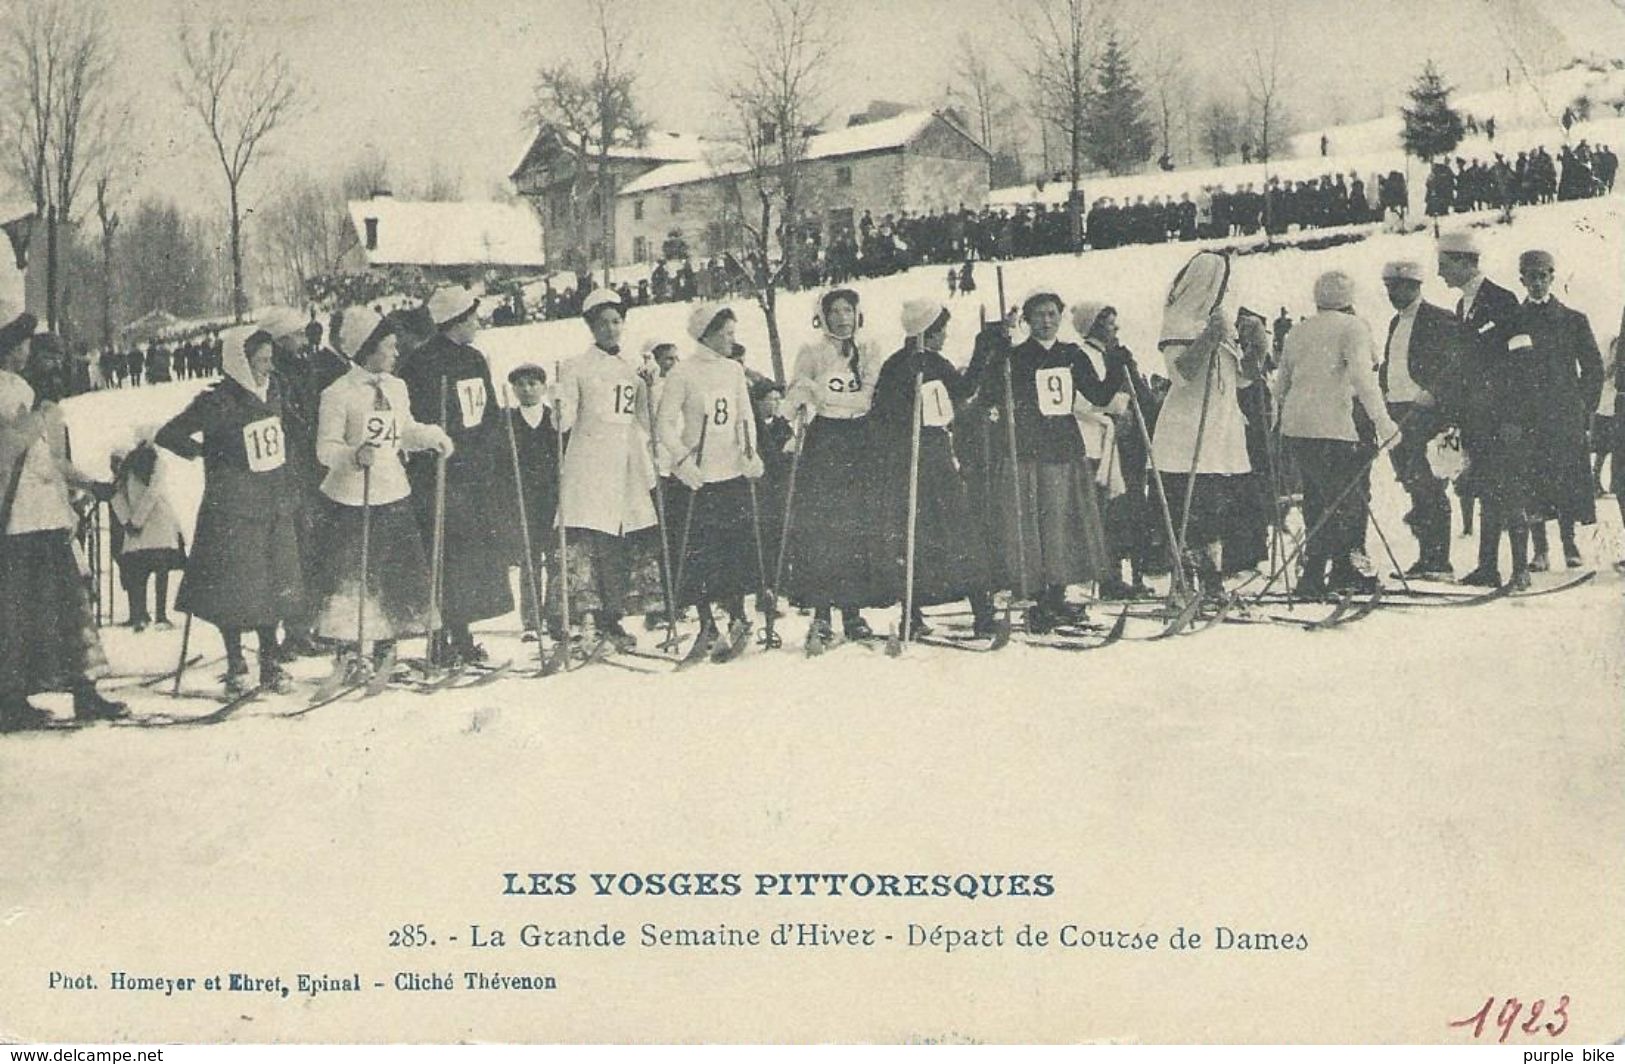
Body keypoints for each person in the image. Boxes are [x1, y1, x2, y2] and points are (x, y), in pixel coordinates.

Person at [156, 327, 302, 695]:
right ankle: (236, 659)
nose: (269, 367)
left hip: (272, 502)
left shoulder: (275, 390)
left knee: (271, 581)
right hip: (232, 506)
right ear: (240, 362)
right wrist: (206, 453)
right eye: (262, 361)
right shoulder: (218, 400)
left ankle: (269, 661)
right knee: (233, 586)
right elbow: (169, 434)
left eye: (270, 359)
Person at [0, 315, 127, 729]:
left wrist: (89, 485)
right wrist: (33, 419)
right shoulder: (15, 392)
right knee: (30, 612)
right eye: (24, 346)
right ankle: (19, 699)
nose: (29, 354)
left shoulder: (29, 394)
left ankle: (76, 693)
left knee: (60, 608)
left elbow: (49, 461)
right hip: (19, 522)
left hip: (42, 519)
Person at [311, 307, 450, 680]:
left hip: (392, 491)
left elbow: (404, 431)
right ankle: (350, 654)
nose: (395, 353)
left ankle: (388, 651)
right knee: (353, 577)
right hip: (352, 498)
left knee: (395, 575)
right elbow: (325, 449)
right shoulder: (338, 393)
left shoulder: (397, 387)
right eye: (388, 347)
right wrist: (353, 455)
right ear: (367, 349)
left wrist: (431, 437)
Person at [976, 288, 1112, 631]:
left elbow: (1097, 394)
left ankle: (1057, 593)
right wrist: (997, 349)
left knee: (1060, 524)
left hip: (1063, 447)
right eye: (1039, 316)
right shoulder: (1016, 356)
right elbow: (990, 393)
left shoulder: (1071, 354)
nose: (1046, 322)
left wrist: (1117, 364)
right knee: (1032, 524)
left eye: (1052, 314)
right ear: (1027, 320)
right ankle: (1036, 598)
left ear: (1061, 316)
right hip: (1027, 450)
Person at [398, 285, 514, 665]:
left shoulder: (476, 359)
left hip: (473, 474)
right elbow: (415, 419)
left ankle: (463, 633)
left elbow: (488, 412)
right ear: (455, 321)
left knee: (469, 559)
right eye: (472, 318)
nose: (478, 324)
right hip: (438, 474)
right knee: (442, 555)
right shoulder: (421, 363)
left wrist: (492, 448)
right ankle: (437, 638)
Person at [870, 299, 996, 636]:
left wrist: (983, 352)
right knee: (914, 533)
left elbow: (964, 391)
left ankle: (982, 609)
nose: (944, 338)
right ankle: (912, 612)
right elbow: (880, 415)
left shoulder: (936, 364)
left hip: (938, 454)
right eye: (940, 331)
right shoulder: (896, 367)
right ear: (925, 332)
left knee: (959, 527)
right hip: (908, 459)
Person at [782, 287, 892, 651]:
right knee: (825, 527)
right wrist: (803, 396)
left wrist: (824, 395)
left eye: (849, 310)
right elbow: (798, 389)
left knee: (857, 525)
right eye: (836, 311)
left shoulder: (870, 349)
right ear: (824, 316)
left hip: (859, 439)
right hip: (826, 442)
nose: (843, 317)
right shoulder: (812, 351)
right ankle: (822, 612)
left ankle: (853, 610)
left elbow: (870, 396)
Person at [1277, 270, 1400, 597]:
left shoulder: (1298, 330)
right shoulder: (1353, 327)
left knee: (1317, 502)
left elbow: (1282, 383)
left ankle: (1313, 576)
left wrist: (1279, 423)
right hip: (1336, 427)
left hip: (1299, 429)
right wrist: (1384, 423)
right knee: (1346, 502)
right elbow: (1363, 379)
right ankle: (1345, 573)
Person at [556, 288, 664, 650]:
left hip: (624, 466)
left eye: (616, 322)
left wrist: (652, 386)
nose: (611, 329)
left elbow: (647, 422)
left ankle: (613, 619)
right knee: (591, 540)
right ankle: (587, 619)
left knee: (619, 543)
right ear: (591, 327)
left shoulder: (634, 368)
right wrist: (558, 401)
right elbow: (564, 420)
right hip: (589, 465)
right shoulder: (576, 366)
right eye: (603, 323)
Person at [654, 303, 764, 659]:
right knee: (698, 552)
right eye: (727, 333)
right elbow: (664, 425)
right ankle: (705, 623)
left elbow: (745, 418)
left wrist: (750, 453)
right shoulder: (683, 373)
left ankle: (737, 617)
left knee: (733, 548)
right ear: (709, 335)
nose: (733, 340)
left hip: (730, 473)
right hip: (697, 477)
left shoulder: (733, 371)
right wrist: (681, 461)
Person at [1150, 251, 1252, 594]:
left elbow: (1240, 380)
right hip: (1186, 433)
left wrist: (1257, 349)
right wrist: (1210, 337)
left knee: (1214, 508)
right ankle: (1185, 577)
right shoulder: (1179, 322)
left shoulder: (1224, 324)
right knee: (1188, 508)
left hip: (1218, 431)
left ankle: (1212, 578)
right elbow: (1181, 375)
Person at [1437, 230, 1531, 588]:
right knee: (1487, 490)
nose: (1440, 273)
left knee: (1509, 490)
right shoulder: (1463, 306)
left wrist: (1513, 417)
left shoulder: (1502, 300)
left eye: (1444, 266)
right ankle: (1488, 567)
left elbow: (1522, 363)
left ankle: (1520, 570)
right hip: (1476, 417)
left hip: (1503, 418)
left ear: (1464, 262)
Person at [1512, 249, 1605, 571]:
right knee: (1532, 480)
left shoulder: (1573, 320)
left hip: (1564, 415)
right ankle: (1541, 550)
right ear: (1521, 279)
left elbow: (1593, 367)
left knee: (1566, 479)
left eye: (1543, 276)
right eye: (1531, 277)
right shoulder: (1515, 320)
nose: (1537, 283)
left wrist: (1583, 406)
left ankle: (1569, 544)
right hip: (1527, 418)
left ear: (1553, 277)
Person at [1378, 259, 1465, 578]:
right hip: (1399, 413)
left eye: (1398, 287)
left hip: (1428, 415)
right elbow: (1391, 364)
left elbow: (1455, 367)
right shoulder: (1394, 323)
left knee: (1430, 485)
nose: (1392, 293)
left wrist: (1434, 394)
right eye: (1389, 287)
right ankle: (1426, 557)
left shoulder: (1440, 319)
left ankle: (1439, 561)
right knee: (1413, 485)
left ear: (1415, 286)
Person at [504, 362, 560, 642]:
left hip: (551, 498)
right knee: (529, 560)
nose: (526, 389)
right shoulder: (508, 420)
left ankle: (556, 616)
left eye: (532, 383)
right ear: (513, 389)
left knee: (555, 558)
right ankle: (531, 620)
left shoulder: (555, 418)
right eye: (520, 385)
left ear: (543, 387)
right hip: (523, 499)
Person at [109, 435, 186, 632]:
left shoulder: (127, 466)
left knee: (139, 571)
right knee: (161, 570)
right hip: (159, 525)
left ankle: (140, 616)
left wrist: (129, 522)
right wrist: (135, 521)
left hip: (138, 531)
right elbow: (154, 493)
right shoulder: (157, 462)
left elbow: (116, 495)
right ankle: (160, 616)